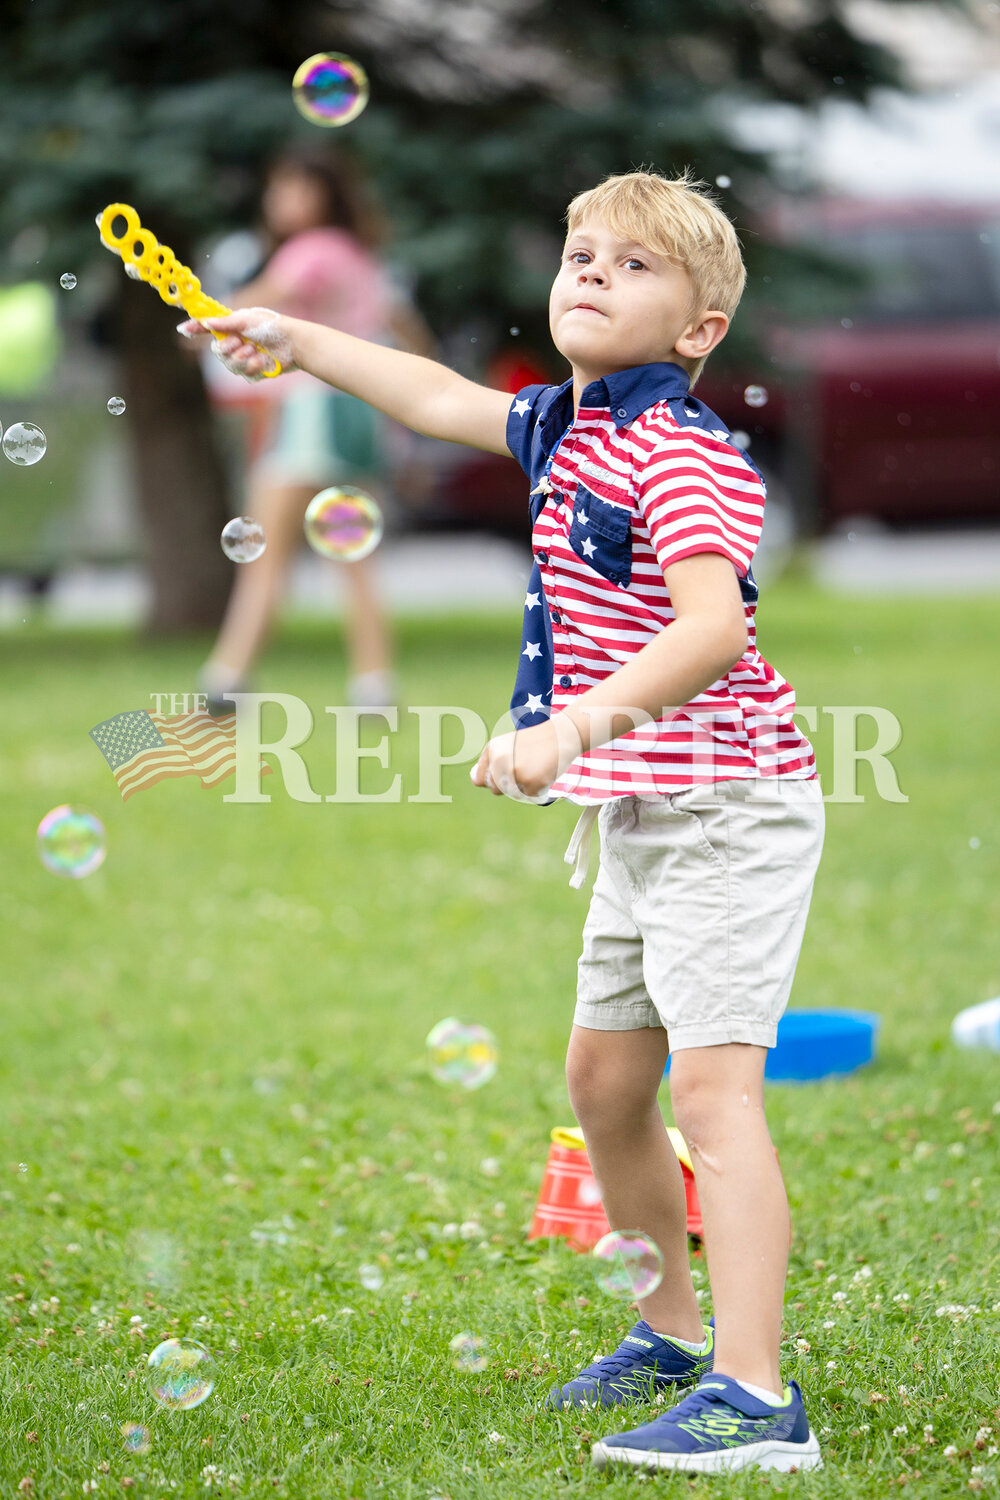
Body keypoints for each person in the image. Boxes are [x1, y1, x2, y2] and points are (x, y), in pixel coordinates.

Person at [179, 166, 826, 1476]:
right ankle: (669, 1334)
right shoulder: (565, 429)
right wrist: (295, 340)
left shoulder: (685, 454)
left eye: (634, 264)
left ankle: (759, 1402)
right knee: (604, 1081)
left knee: (712, 1089)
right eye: (581, 250)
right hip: (644, 813)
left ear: (702, 329)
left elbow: (712, 628)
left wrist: (568, 728)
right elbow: (427, 395)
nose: (591, 270)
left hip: (730, 808)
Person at [196, 142, 434, 713]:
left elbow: (251, 306)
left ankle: (226, 679)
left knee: (265, 548)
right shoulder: (357, 255)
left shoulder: (311, 251)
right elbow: (408, 332)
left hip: (310, 414)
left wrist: (202, 316)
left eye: (297, 187)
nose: (281, 199)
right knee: (351, 552)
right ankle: (374, 684)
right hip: (356, 409)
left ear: (327, 197)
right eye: (279, 186)